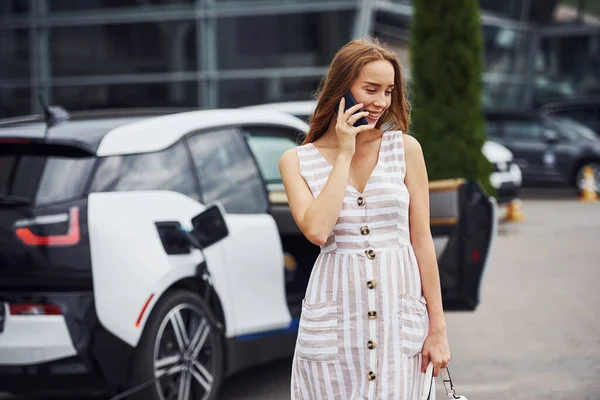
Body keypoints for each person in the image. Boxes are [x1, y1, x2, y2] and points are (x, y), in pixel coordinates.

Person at [279, 37, 450, 399]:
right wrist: (343, 153)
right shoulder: (296, 161)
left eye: (388, 91)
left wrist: (438, 329)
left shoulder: (404, 148)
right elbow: (317, 230)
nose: (381, 102)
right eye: (370, 89)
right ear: (342, 88)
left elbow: (421, 239)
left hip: (398, 314)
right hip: (335, 317)